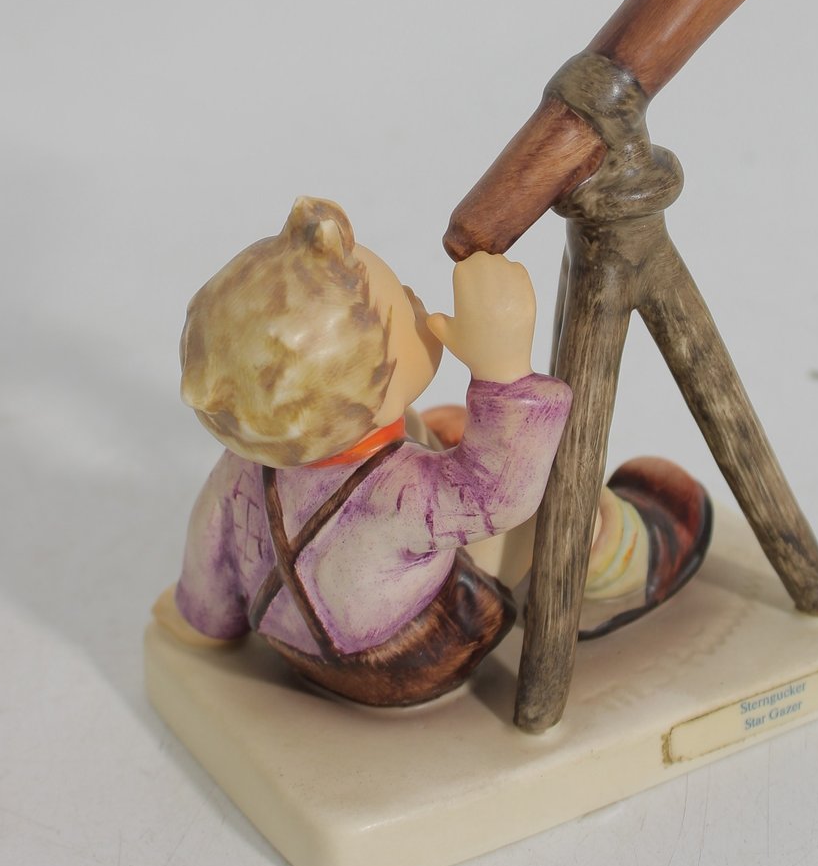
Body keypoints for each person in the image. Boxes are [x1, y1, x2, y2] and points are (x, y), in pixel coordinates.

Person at [152, 197, 710, 706]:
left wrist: (200, 623)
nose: (418, 301)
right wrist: (502, 371)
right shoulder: (394, 496)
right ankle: (619, 556)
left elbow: (209, 550)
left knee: (445, 427)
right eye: (404, 302)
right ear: (362, 386)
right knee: (544, 504)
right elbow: (498, 496)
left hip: (296, 643)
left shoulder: (248, 463)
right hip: (407, 659)